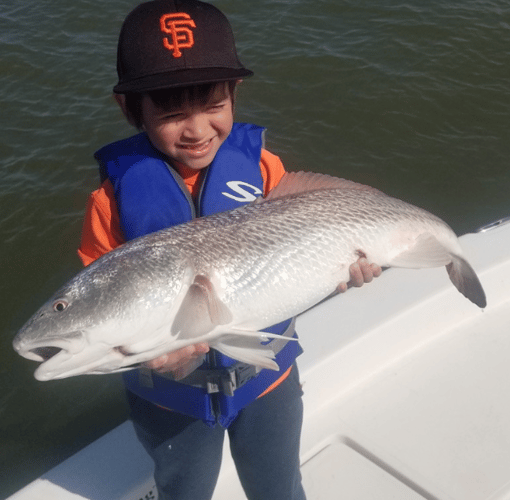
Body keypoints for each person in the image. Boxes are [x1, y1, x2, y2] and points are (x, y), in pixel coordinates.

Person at [78, 1, 381, 499]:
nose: (197, 130)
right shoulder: (108, 205)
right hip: (171, 401)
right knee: (184, 491)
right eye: (173, 113)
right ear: (129, 108)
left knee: (279, 486)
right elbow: (101, 314)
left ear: (234, 93)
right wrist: (144, 357)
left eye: (213, 106)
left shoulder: (264, 169)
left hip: (268, 381)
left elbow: (314, 240)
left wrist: (349, 263)